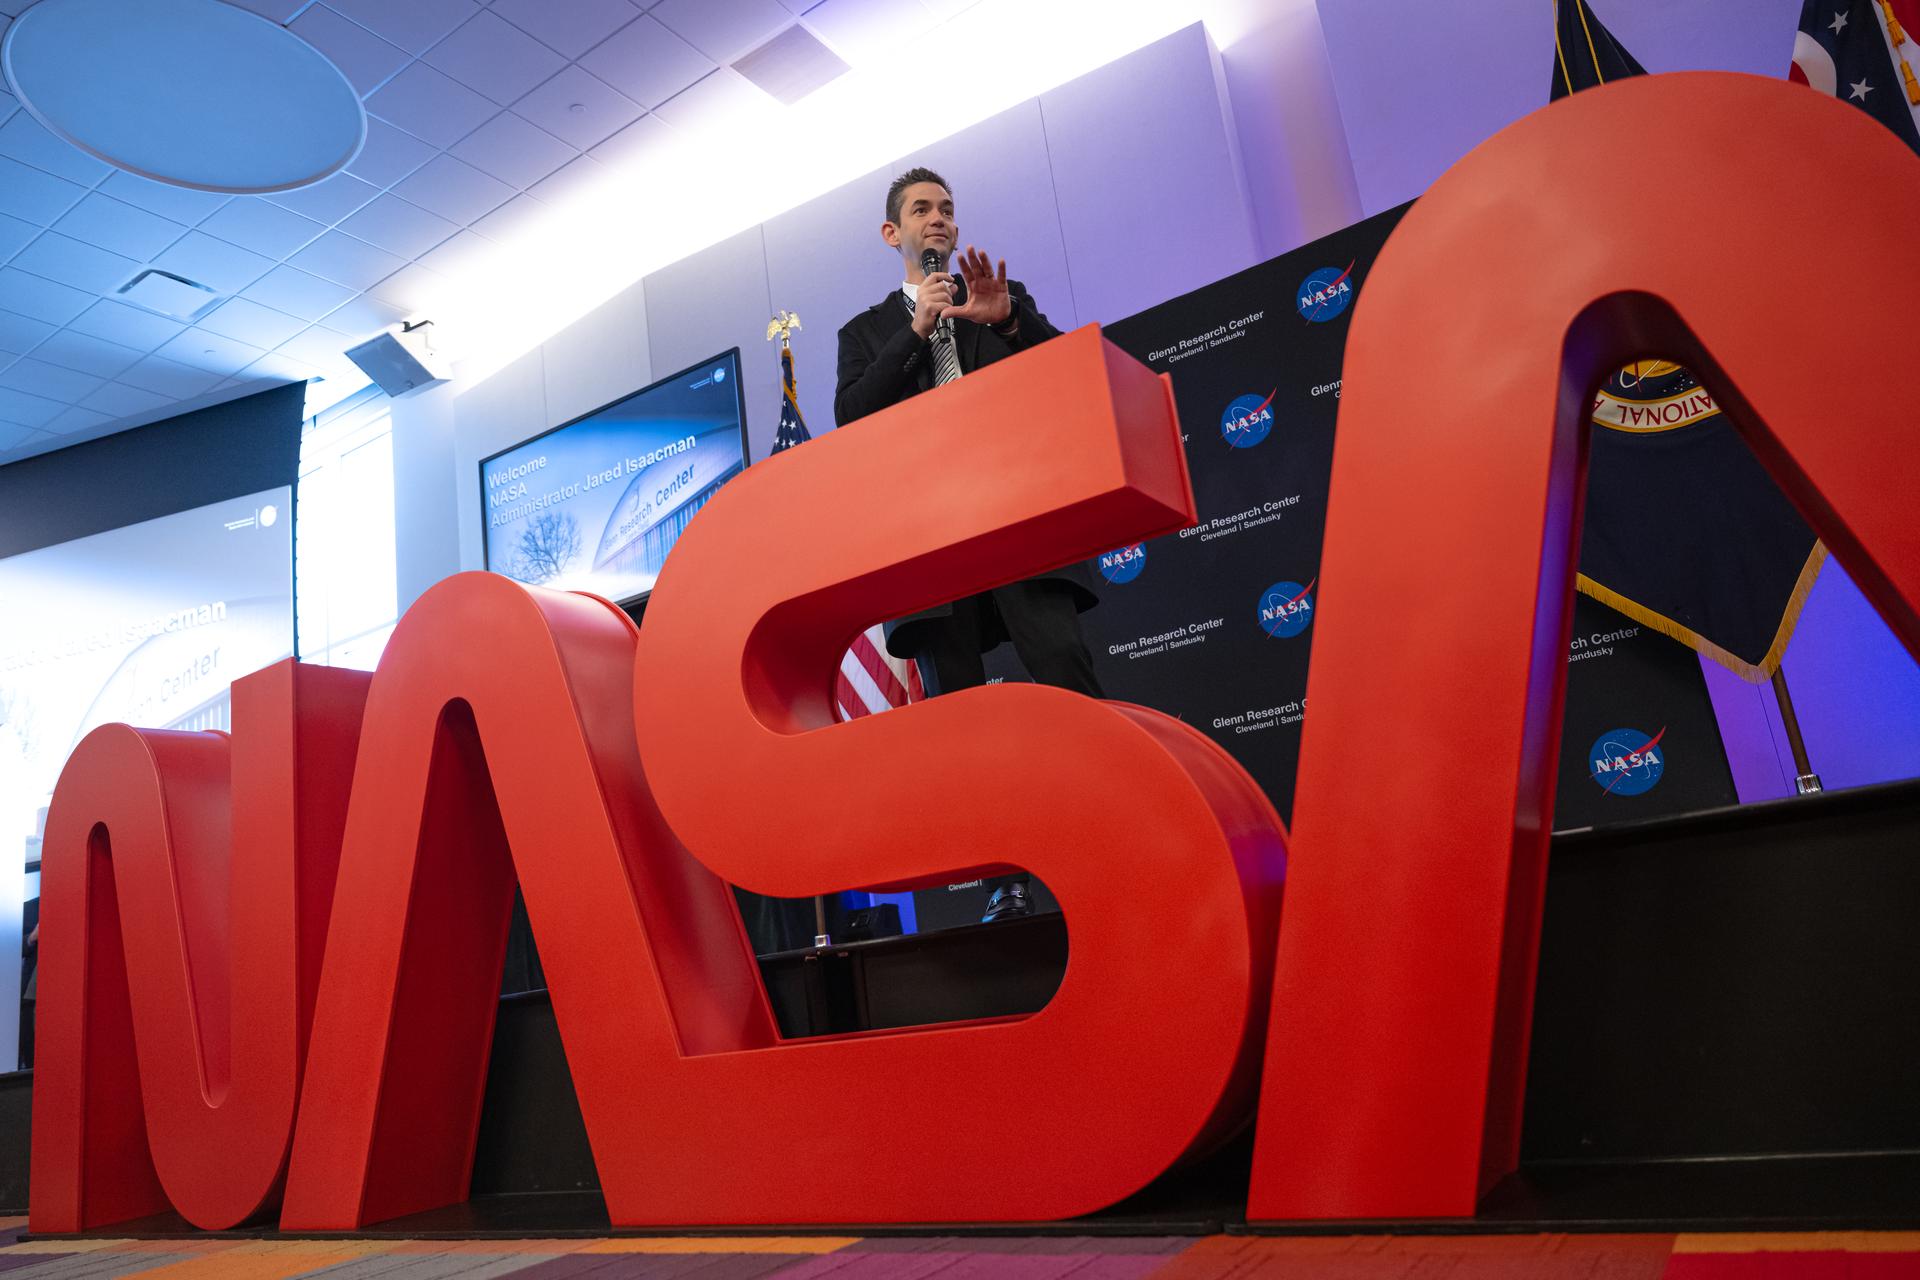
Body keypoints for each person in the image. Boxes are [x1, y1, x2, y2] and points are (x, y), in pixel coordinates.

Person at [835, 167, 1104, 922]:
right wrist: (916, 331)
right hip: (929, 543)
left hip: (1015, 518)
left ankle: (1108, 833)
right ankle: (1004, 881)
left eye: (947, 209)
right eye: (922, 209)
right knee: (961, 720)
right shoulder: (865, 333)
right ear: (893, 233)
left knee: (1065, 672)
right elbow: (852, 418)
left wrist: (1009, 323)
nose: (939, 219)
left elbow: (1064, 374)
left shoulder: (998, 300)